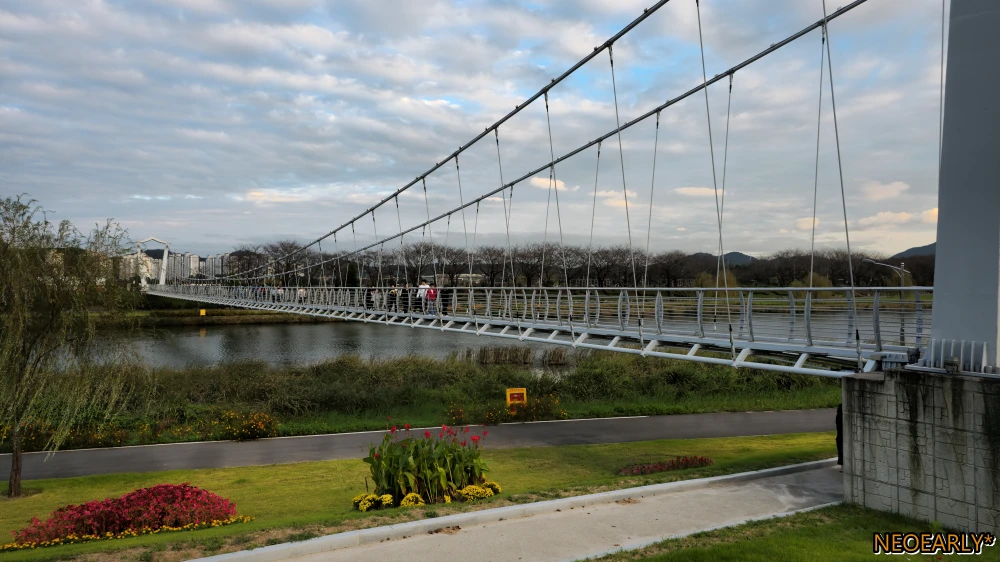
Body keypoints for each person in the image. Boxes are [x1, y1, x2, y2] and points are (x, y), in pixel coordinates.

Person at [836, 403, 843, 469]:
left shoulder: (838, 416)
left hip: (839, 436)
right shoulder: (844, 417)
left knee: (840, 451)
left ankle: (842, 466)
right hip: (843, 436)